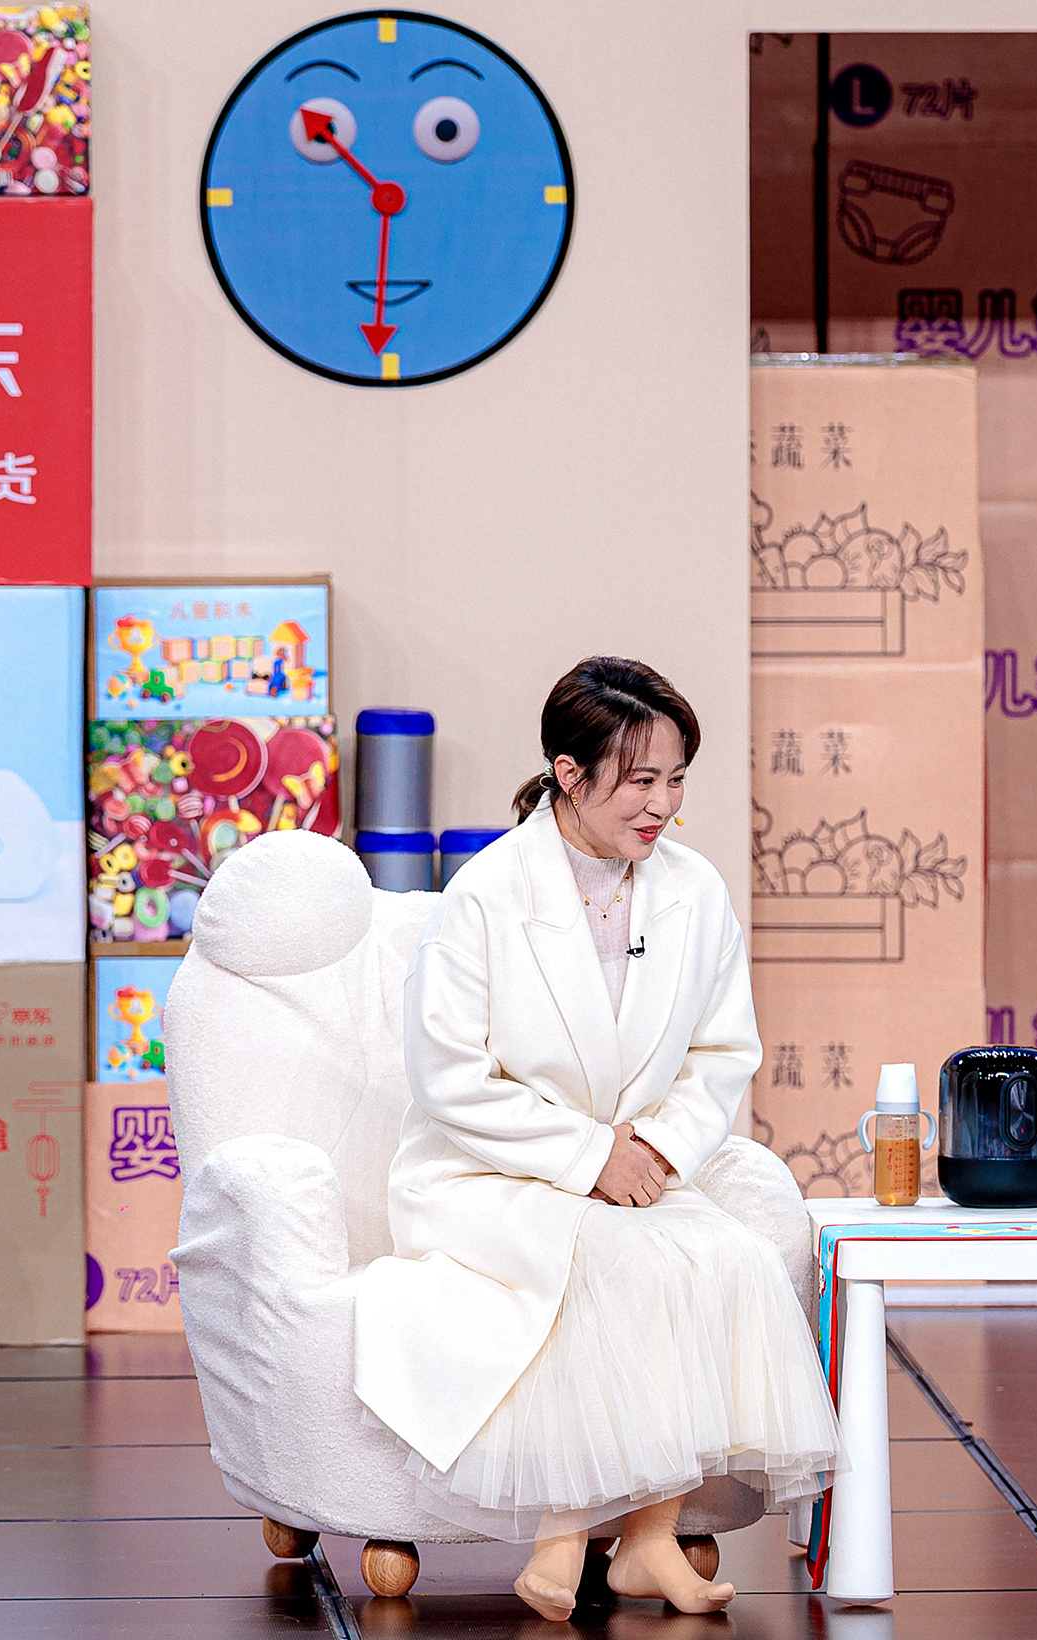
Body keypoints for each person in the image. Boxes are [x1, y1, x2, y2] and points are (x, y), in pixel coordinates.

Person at [355, 657, 840, 1622]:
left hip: (638, 1167)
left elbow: (723, 1052)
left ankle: (647, 1541)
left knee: (730, 1258)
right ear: (569, 775)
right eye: (639, 780)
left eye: (676, 779)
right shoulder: (487, 895)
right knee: (617, 1260)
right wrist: (588, 1157)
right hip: (484, 1172)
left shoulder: (695, 891)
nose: (662, 805)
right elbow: (448, 1077)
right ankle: (568, 1533)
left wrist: (655, 1151)